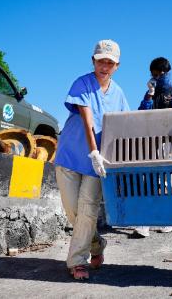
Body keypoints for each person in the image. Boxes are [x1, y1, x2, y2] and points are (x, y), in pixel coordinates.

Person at [54, 39, 130, 280]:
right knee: (72, 212)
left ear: (117, 65)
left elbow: (122, 128)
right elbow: (88, 120)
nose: (104, 66)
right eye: (100, 61)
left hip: (98, 164)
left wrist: (111, 160)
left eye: (110, 62)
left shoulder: (118, 94)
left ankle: (77, 262)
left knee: (87, 212)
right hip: (70, 156)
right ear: (93, 61)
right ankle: (97, 244)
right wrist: (93, 151)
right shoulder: (82, 83)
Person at [132, 57, 172, 238]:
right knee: (149, 179)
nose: (158, 77)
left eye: (161, 74)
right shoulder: (150, 93)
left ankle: (170, 219)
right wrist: (149, 95)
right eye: (154, 74)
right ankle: (144, 221)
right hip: (152, 142)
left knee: (170, 181)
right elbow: (141, 114)